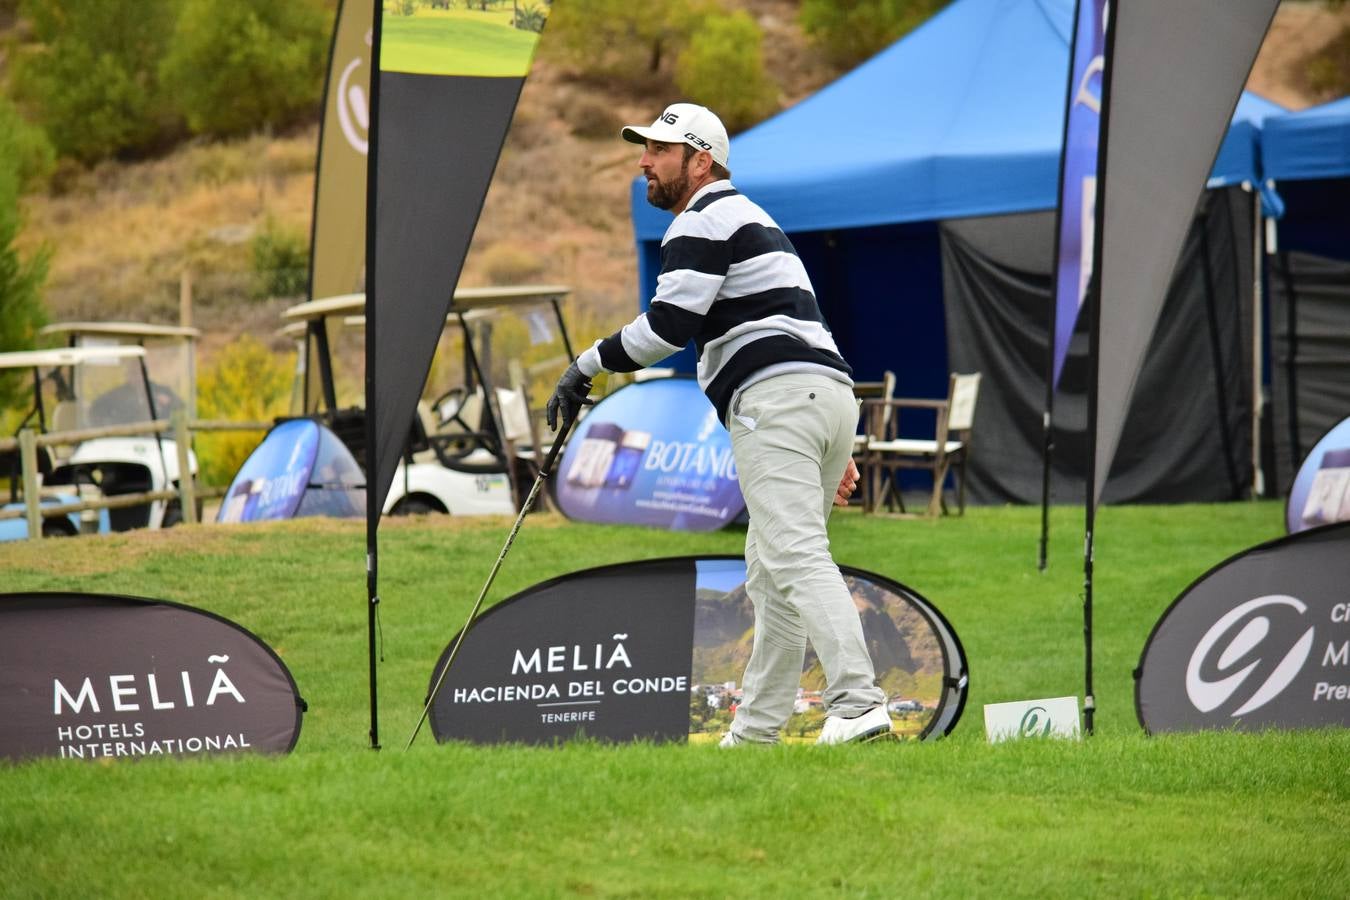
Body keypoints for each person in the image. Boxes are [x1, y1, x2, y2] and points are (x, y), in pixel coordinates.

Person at [547, 102, 893, 746]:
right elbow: (800, 328)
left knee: (791, 553)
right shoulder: (755, 219)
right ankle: (757, 733)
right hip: (824, 397)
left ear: (700, 160)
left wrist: (584, 366)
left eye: (659, 151)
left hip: (778, 400)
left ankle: (858, 704)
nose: (643, 161)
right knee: (769, 569)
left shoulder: (700, 220)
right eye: (643, 149)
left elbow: (666, 330)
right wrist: (834, 446)